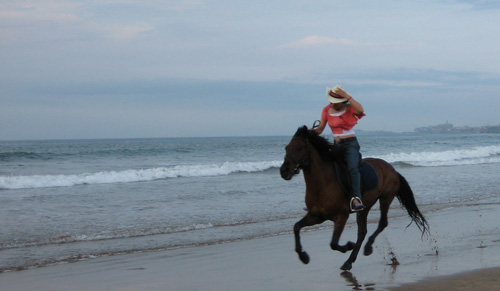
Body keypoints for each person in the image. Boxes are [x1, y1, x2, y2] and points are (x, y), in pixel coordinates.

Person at [312, 85, 366, 212]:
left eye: (336, 103)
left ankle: (356, 198)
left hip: (350, 144)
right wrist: (309, 133)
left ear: (343, 101)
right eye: (331, 102)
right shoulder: (326, 110)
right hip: (337, 145)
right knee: (325, 169)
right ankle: (319, 199)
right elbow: (320, 129)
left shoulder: (350, 108)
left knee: (352, 168)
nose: (333, 104)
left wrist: (347, 95)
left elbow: (361, 109)